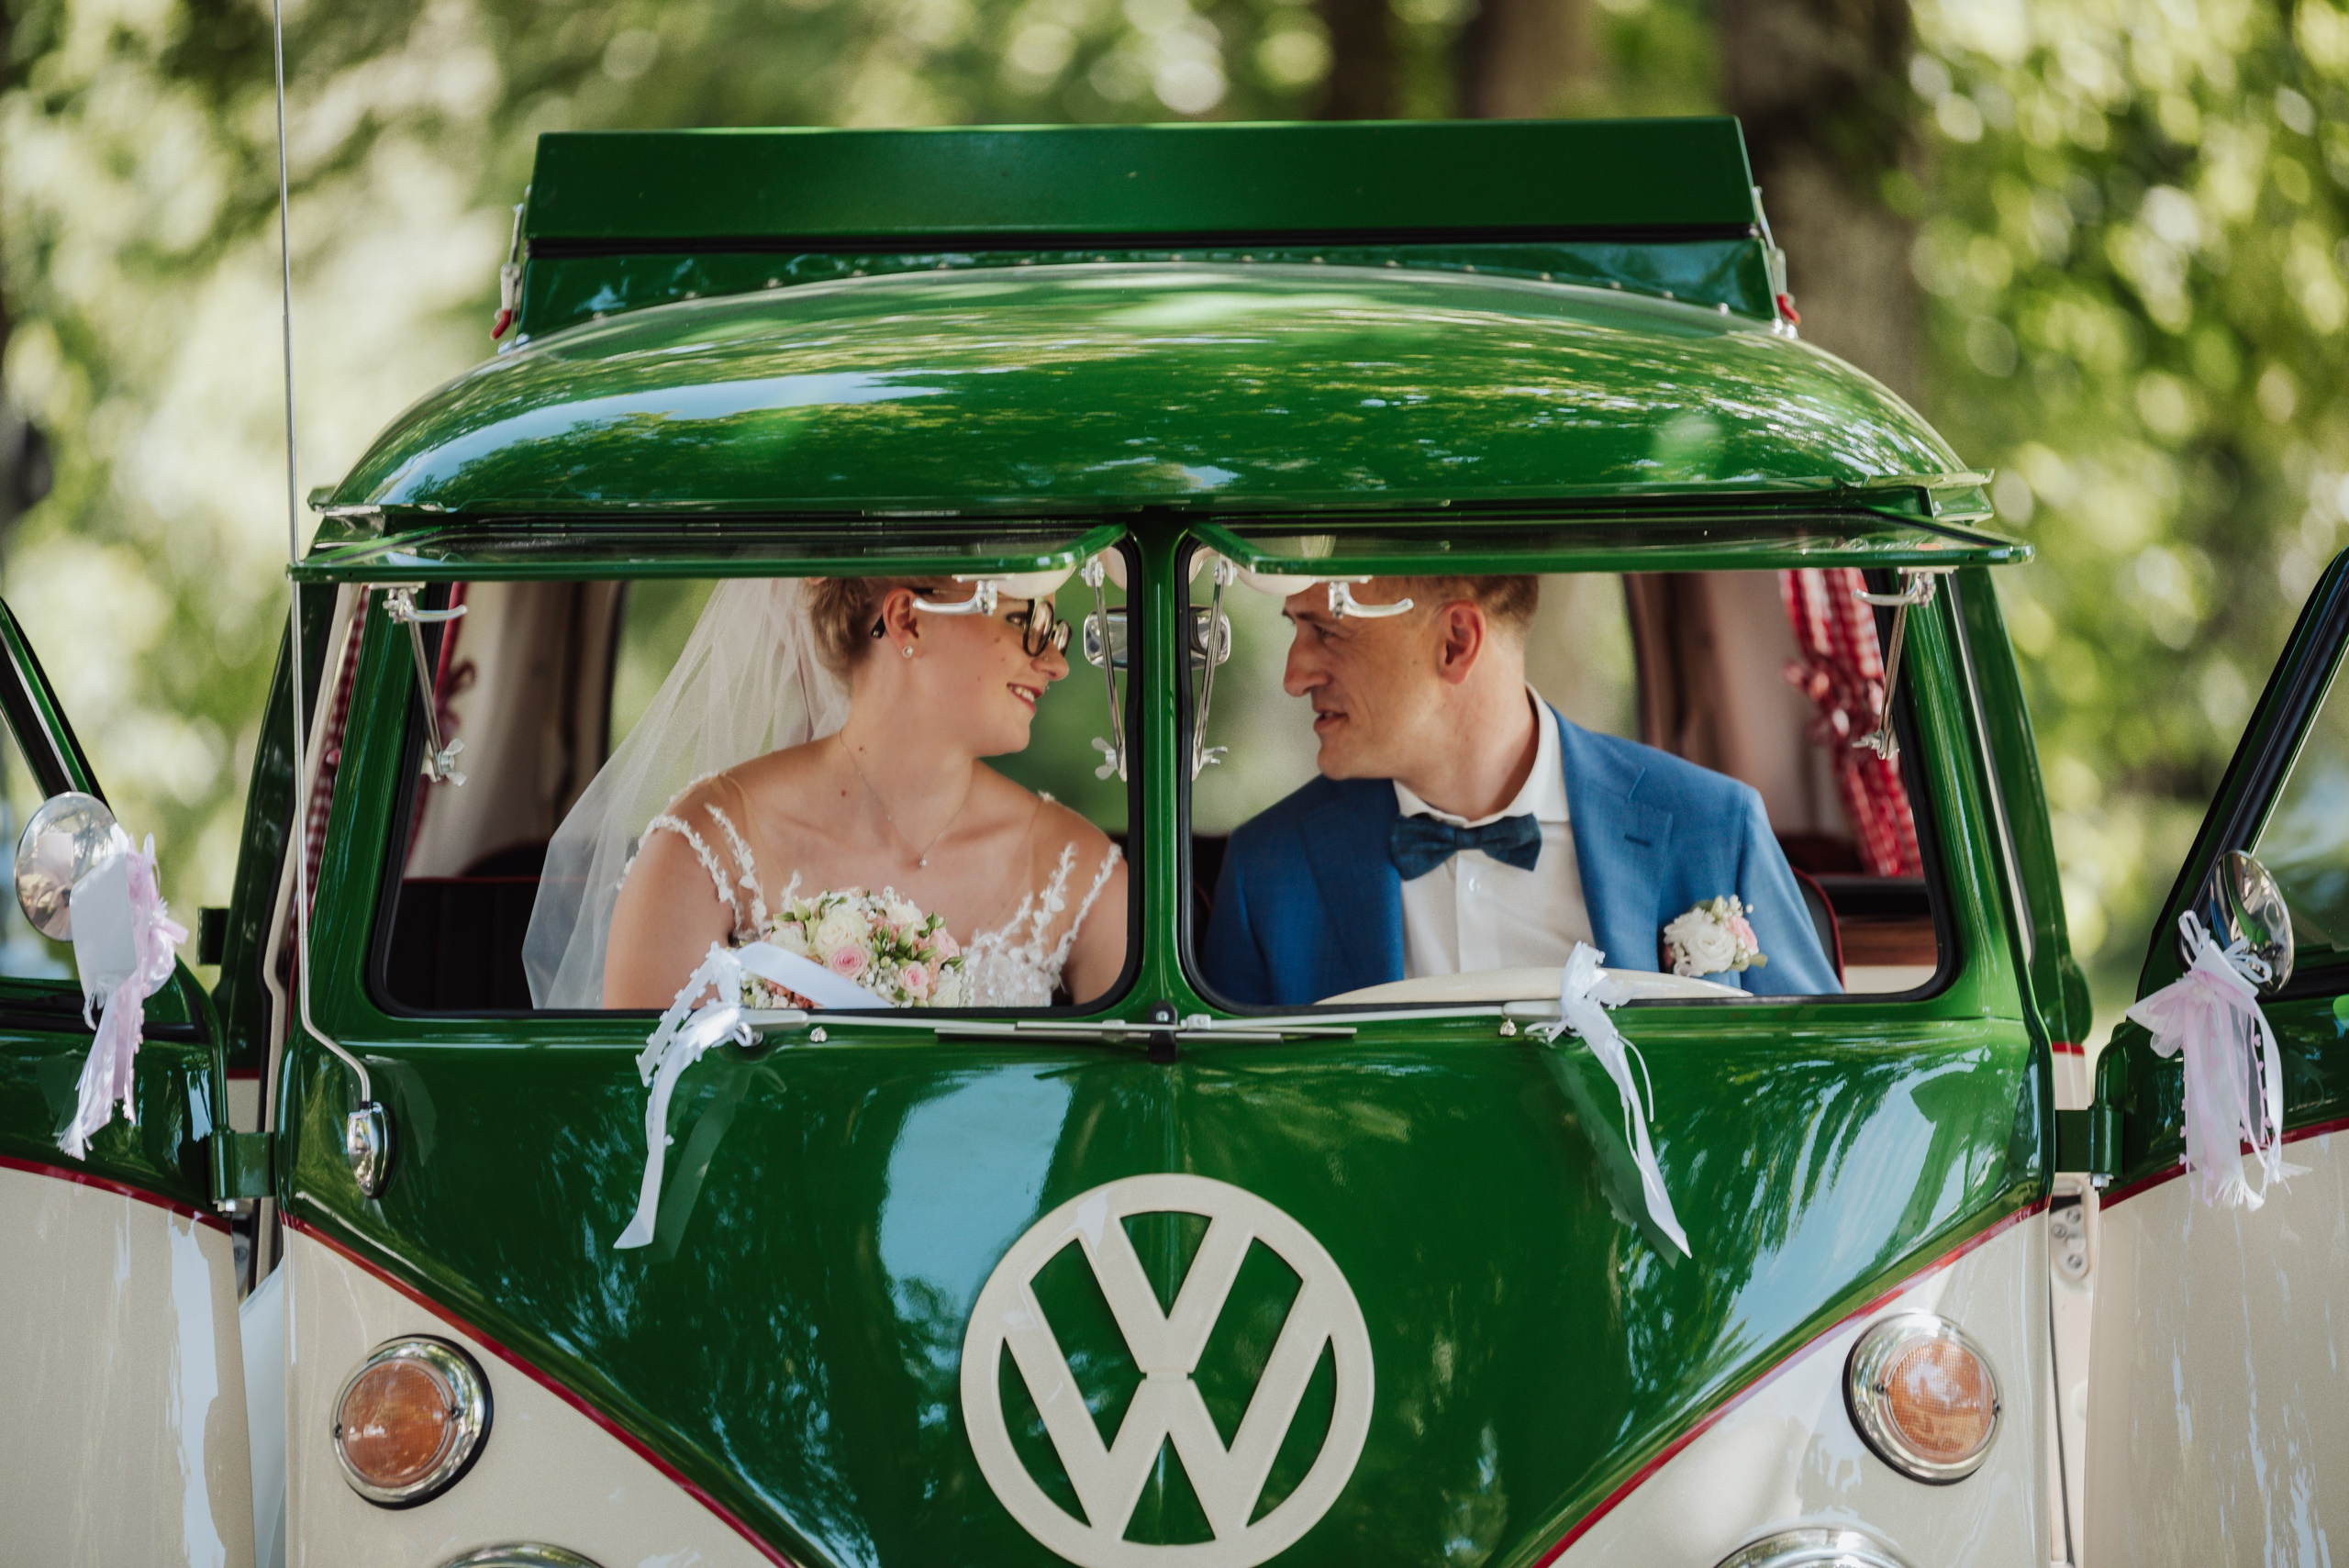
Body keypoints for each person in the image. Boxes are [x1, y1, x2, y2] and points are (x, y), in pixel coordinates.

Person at [1200, 573, 1839, 1006]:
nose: (1293, 674)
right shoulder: (1270, 872)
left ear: (1456, 642)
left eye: (1327, 632)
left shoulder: (1713, 827)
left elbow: (1822, 1097)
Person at [523, 574, 1126, 1011]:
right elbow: (645, 1122)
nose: (1056, 663)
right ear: (907, 620)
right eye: (1028, 622)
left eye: (1059, 630)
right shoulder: (705, 851)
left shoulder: (1080, 872)